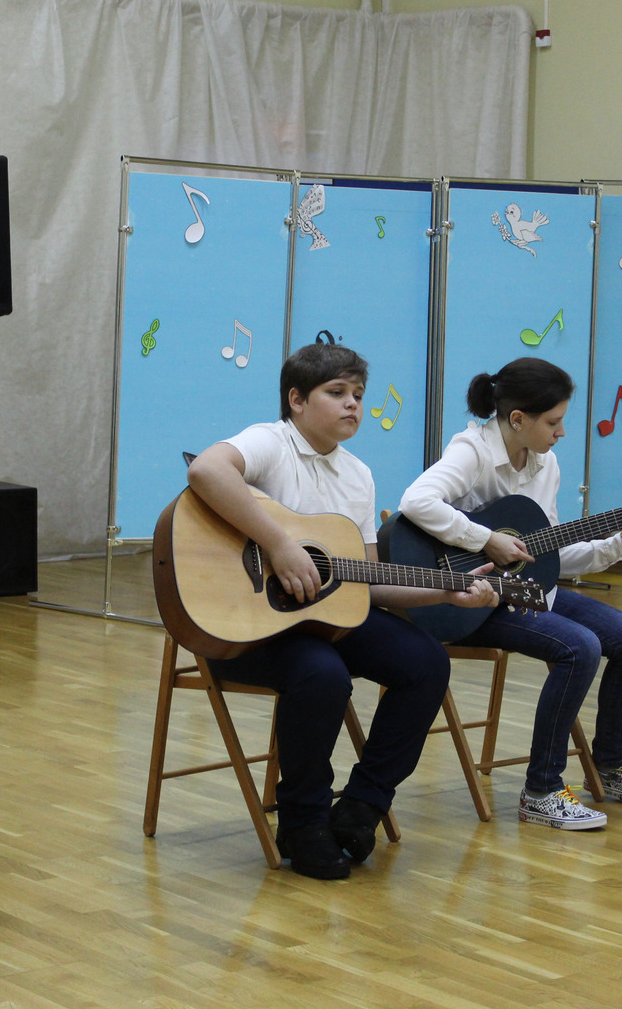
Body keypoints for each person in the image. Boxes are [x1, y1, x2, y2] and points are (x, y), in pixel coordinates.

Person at [186, 342, 499, 880]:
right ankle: (302, 823)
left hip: (324, 620)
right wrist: (280, 545)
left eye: (358, 394)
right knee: (321, 674)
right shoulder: (270, 442)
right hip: (245, 624)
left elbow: (368, 584)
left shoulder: (357, 474)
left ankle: (361, 806)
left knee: (426, 662)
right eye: (337, 392)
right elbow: (207, 471)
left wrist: (446, 592)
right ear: (297, 400)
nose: (353, 404)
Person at [398, 357, 622, 831]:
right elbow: (415, 502)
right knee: (580, 647)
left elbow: (547, 554)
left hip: (520, 588)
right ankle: (542, 789)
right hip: (467, 599)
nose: (561, 432)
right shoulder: (473, 451)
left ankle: (609, 765)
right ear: (517, 419)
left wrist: (617, 544)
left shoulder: (546, 464)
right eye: (553, 422)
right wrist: (486, 539)